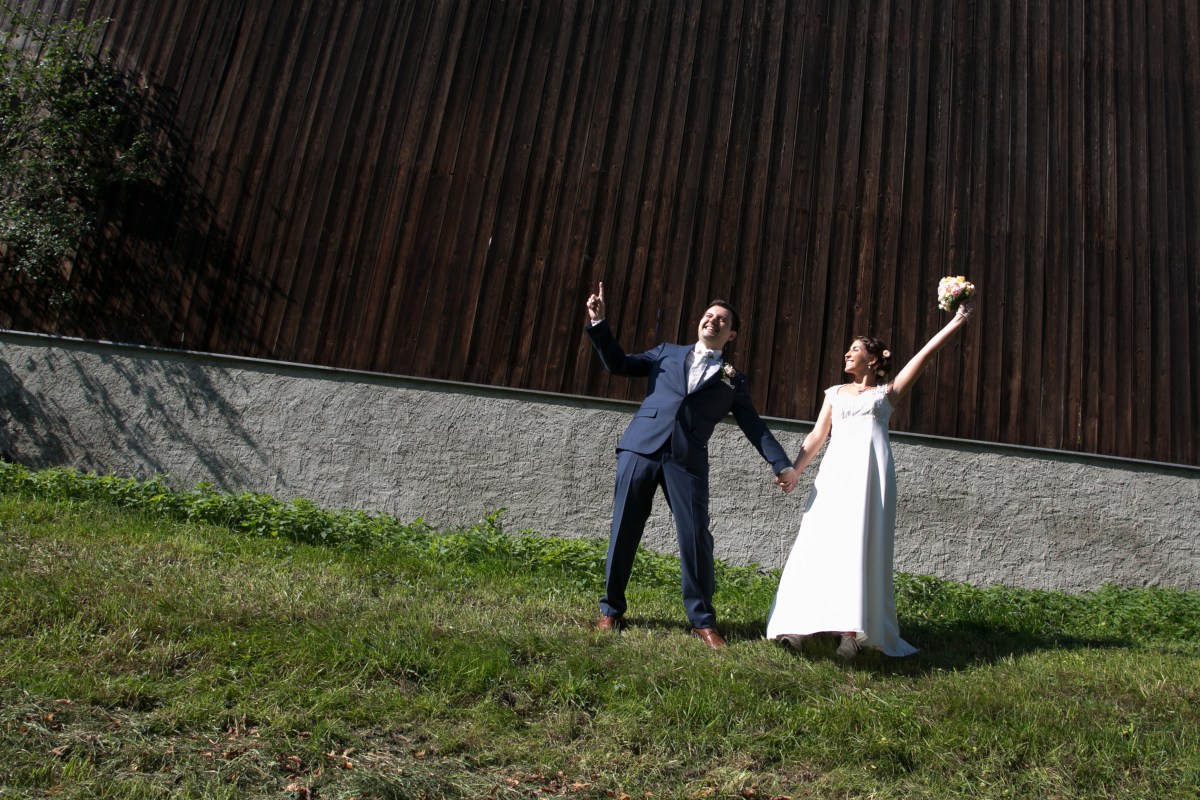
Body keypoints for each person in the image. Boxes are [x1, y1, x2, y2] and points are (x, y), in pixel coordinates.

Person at [585, 282, 798, 649]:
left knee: (696, 536)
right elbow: (619, 365)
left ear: (731, 334)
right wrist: (599, 323)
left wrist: (781, 464)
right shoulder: (666, 353)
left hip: (687, 460)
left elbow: (754, 425)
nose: (712, 321)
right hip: (640, 448)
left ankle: (702, 621)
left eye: (722, 320)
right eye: (708, 315)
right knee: (624, 529)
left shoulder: (733, 379)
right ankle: (611, 610)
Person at [766, 303, 975, 659]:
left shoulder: (887, 394)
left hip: (869, 481)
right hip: (834, 477)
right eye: (848, 349)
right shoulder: (834, 393)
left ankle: (852, 632)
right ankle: (799, 625)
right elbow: (817, 435)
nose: (847, 354)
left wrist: (955, 322)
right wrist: (796, 470)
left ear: (873, 360)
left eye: (855, 349)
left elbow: (925, 354)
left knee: (859, 547)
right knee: (816, 541)